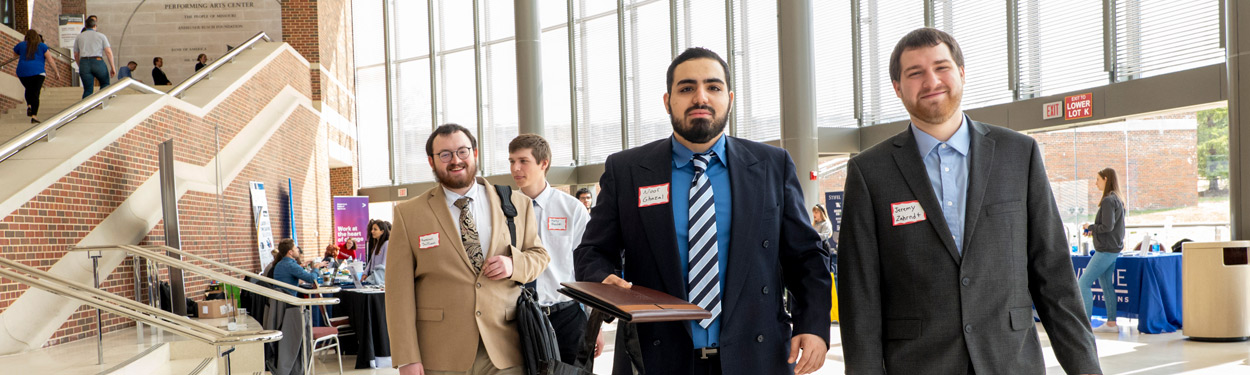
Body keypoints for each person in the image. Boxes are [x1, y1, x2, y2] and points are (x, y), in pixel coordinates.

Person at [837, 28, 1102, 375]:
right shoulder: (870, 172)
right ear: (898, 88)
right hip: (918, 364)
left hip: (1010, 361)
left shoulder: (1018, 154)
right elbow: (860, 296)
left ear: (961, 73)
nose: (931, 80)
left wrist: (1086, 369)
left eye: (941, 67)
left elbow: (1053, 275)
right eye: (915, 73)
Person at [574, 47, 831, 375]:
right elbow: (592, 252)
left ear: (729, 98)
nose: (700, 97)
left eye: (713, 87)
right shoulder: (627, 171)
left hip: (756, 357)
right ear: (667, 101)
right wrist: (601, 279)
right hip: (656, 359)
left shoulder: (771, 165)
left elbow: (806, 256)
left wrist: (812, 325)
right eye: (686, 88)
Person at [386, 123, 549, 375]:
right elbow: (398, 293)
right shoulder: (409, 214)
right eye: (445, 154)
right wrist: (407, 356)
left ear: (475, 153)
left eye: (462, 151)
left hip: (506, 348)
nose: (455, 160)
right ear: (431, 161)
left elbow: (539, 256)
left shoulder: (516, 203)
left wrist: (513, 265)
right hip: (440, 353)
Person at [507, 134, 603, 364]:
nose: (515, 168)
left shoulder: (572, 209)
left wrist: (594, 325)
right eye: (511, 161)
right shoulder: (505, 209)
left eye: (523, 161)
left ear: (544, 163)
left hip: (568, 317)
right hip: (521, 316)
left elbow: (587, 268)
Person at [1080, 168, 1126, 334]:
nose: (1096, 183)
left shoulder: (1108, 200)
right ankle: (1111, 323)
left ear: (1106, 179)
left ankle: (1085, 325)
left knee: (1083, 283)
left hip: (1106, 250)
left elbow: (1107, 226)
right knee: (1106, 285)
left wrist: (1090, 227)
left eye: (1098, 180)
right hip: (1113, 249)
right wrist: (1094, 229)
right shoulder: (1117, 199)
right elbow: (1110, 226)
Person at [12, 30, 56, 124]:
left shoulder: (21, 45)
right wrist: (56, 72)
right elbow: (50, 60)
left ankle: (29, 105)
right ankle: (34, 116)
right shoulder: (42, 46)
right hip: (38, 72)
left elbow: (15, 54)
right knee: (35, 93)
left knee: (29, 89)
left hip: (22, 71)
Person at [72, 16, 116, 98]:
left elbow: (76, 54)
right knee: (105, 84)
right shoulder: (101, 36)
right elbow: (108, 52)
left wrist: (80, 65)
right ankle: (102, 102)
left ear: (85, 26)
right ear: (95, 26)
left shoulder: (79, 37)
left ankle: (85, 109)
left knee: (88, 89)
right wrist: (112, 67)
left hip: (84, 62)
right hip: (98, 62)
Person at [364, 219, 390, 284]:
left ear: (382, 231)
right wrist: (365, 273)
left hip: (379, 280)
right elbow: (371, 261)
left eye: (375, 229)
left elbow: (383, 266)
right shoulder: (377, 244)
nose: (372, 231)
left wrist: (370, 278)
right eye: (372, 229)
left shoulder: (386, 244)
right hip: (374, 279)